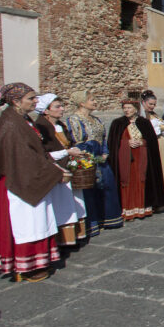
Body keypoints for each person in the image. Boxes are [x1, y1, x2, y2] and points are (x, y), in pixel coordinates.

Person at [0, 83, 67, 282]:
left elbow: (35, 150)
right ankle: (27, 265)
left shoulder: (23, 119)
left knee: (39, 219)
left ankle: (38, 261)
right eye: (31, 98)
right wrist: (53, 171)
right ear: (16, 101)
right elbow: (22, 156)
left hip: (31, 173)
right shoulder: (10, 123)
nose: (35, 101)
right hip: (20, 178)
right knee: (27, 222)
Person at [67, 91, 124, 236]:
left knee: (107, 186)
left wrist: (105, 152)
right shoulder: (74, 119)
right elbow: (78, 141)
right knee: (90, 191)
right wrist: (90, 155)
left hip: (101, 159)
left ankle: (108, 218)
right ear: (82, 103)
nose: (95, 102)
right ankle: (92, 223)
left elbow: (103, 138)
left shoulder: (96, 119)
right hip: (87, 159)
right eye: (91, 100)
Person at [34, 94, 87, 246]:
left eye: (62, 106)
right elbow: (43, 153)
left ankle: (75, 235)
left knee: (73, 202)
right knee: (60, 205)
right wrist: (66, 152)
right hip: (55, 170)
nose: (62, 109)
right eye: (57, 107)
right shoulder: (41, 128)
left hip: (68, 167)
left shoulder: (60, 126)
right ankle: (62, 239)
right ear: (46, 111)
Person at [108, 94, 164, 220]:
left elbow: (151, 142)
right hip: (126, 160)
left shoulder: (144, 123)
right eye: (124, 108)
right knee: (127, 182)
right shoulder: (117, 124)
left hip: (142, 159)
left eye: (129, 108)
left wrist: (142, 142)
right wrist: (126, 143)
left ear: (135, 109)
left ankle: (142, 207)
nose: (126, 110)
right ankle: (128, 209)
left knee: (141, 181)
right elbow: (113, 144)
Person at [141, 90, 164, 200]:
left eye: (154, 104)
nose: (152, 106)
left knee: (163, 169)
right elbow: (147, 130)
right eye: (150, 104)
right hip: (151, 144)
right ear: (143, 103)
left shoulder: (154, 115)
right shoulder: (142, 116)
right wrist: (161, 128)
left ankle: (163, 195)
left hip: (161, 142)